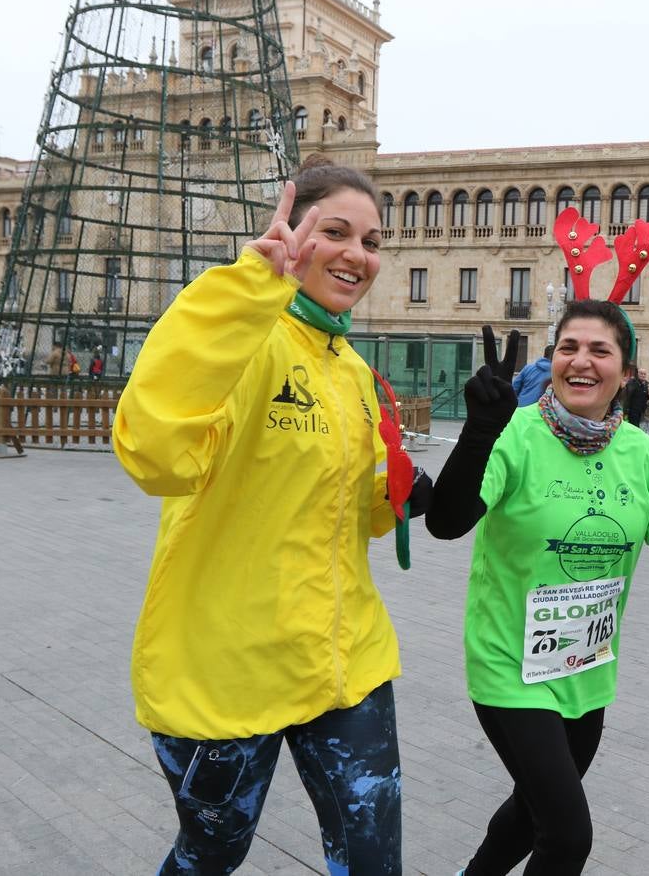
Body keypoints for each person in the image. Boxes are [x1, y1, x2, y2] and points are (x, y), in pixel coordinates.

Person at [112, 160, 430, 876]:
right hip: (227, 674)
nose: (357, 255)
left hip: (344, 664)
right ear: (292, 232)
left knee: (374, 861)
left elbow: (357, 509)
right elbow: (154, 452)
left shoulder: (352, 369)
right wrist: (248, 288)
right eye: (336, 232)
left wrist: (414, 484)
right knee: (211, 854)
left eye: (372, 241)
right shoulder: (244, 338)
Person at [427, 308, 649, 876]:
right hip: (510, 665)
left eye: (599, 351)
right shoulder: (514, 433)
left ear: (626, 373)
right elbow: (446, 521)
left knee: (531, 812)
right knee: (566, 834)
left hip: (586, 667)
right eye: (568, 347)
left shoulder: (641, 452)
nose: (581, 361)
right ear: (553, 359)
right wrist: (481, 430)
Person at [622, 365, 649, 433]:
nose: (643, 375)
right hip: (632, 411)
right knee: (633, 429)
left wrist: (648, 396)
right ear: (637, 374)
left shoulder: (645, 384)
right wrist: (626, 411)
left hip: (641, 412)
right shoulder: (632, 383)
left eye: (644, 374)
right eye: (641, 373)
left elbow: (643, 397)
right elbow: (628, 397)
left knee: (638, 429)